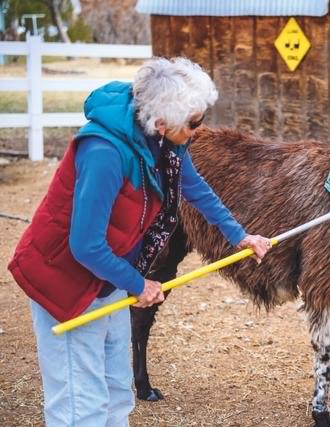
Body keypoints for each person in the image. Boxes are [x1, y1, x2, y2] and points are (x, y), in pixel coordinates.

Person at [8, 57, 272, 426]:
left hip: (111, 276)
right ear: (161, 122)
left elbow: (194, 188)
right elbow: (85, 245)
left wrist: (238, 235)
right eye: (194, 123)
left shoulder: (167, 143)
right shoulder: (104, 152)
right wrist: (138, 284)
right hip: (66, 282)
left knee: (117, 389)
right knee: (79, 401)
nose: (200, 129)